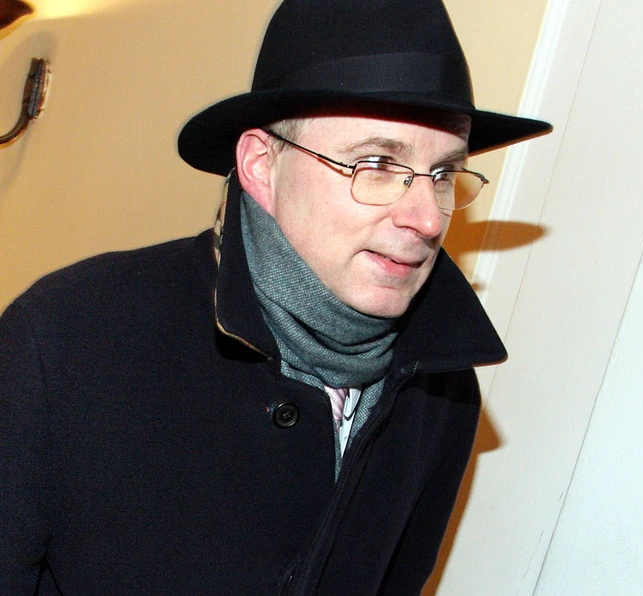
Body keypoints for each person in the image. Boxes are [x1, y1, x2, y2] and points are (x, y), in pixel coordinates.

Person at [0, 0, 550, 594]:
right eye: (376, 164)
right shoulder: (70, 337)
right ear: (262, 165)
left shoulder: (442, 392)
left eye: (443, 175)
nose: (427, 217)